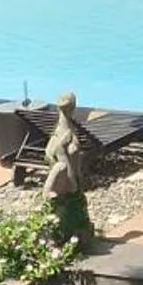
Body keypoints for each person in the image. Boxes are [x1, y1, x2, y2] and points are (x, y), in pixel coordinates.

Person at [40, 91, 94, 247]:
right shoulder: (65, 135)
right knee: (71, 207)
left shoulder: (60, 132)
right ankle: (68, 235)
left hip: (70, 178)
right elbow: (57, 154)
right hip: (70, 181)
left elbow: (49, 154)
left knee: (68, 208)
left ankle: (67, 234)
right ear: (74, 106)